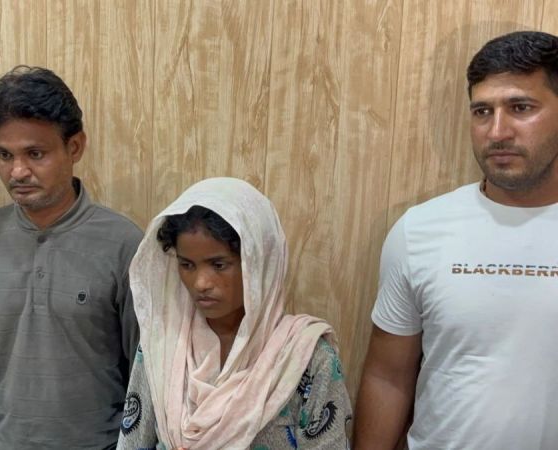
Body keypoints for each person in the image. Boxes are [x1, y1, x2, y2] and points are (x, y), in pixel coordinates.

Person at [354, 30, 558, 450]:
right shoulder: (420, 230)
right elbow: (388, 377)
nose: (497, 131)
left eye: (520, 108)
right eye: (482, 111)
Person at [0, 66, 143, 450]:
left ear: (75, 147)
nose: (17, 171)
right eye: (4, 154)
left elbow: (144, 373)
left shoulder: (123, 243)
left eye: (35, 154)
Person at [117, 177, 351, 449]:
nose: (200, 283)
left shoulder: (306, 358)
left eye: (219, 265)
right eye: (187, 265)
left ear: (258, 263)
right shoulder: (163, 346)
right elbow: (132, 441)